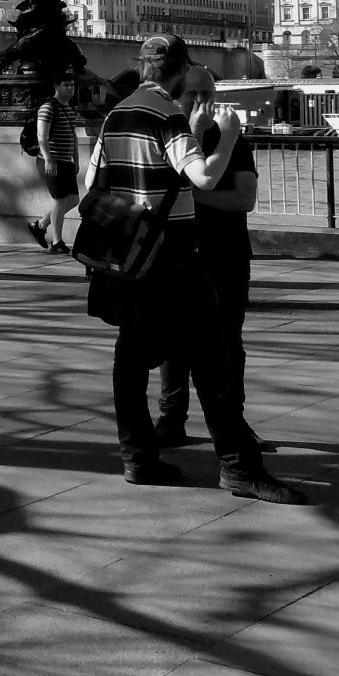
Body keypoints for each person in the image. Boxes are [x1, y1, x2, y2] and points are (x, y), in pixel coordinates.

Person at [84, 35, 301, 502]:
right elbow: (203, 176)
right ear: (181, 70)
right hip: (175, 256)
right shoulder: (167, 114)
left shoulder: (118, 113)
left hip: (130, 254)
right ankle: (239, 467)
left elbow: (90, 180)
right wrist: (228, 136)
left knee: (130, 358)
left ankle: (138, 457)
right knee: (213, 358)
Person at [157, 65, 268, 450]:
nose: (202, 102)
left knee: (228, 340)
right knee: (174, 339)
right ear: (176, 97)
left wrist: (196, 194)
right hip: (178, 253)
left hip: (226, 252)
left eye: (208, 93)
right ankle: (171, 417)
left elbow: (245, 198)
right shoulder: (168, 138)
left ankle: (235, 422)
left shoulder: (232, 138)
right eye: (193, 94)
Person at [28, 73, 83, 253]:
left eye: (72, 85)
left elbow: (73, 135)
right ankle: (57, 242)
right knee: (60, 200)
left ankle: (41, 225)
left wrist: (76, 158)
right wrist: (48, 159)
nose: (70, 88)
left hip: (66, 161)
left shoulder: (69, 109)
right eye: (66, 85)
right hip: (51, 161)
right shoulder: (48, 108)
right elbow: (41, 136)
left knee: (73, 199)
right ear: (57, 86)